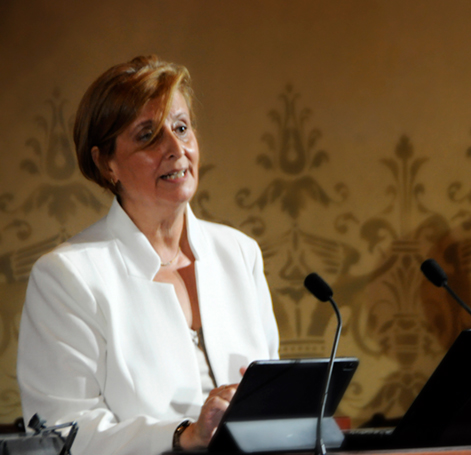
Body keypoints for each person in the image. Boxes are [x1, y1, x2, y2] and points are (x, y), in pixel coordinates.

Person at [16, 55, 279, 455]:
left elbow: (271, 397)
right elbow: (62, 432)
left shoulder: (239, 253)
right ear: (105, 163)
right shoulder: (67, 276)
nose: (176, 149)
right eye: (148, 136)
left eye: (181, 127)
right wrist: (185, 435)